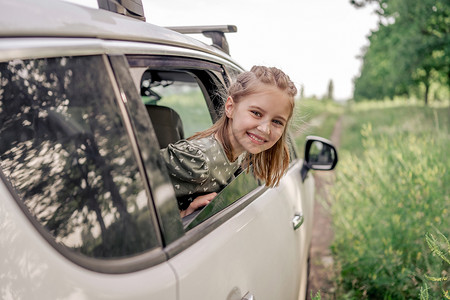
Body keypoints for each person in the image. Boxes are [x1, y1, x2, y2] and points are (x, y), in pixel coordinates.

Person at [160, 66, 297, 217]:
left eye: (277, 122)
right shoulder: (197, 159)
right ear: (230, 107)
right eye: (256, 113)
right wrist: (183, 214)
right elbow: (132, 190)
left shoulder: (240, 156)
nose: (265, 129)